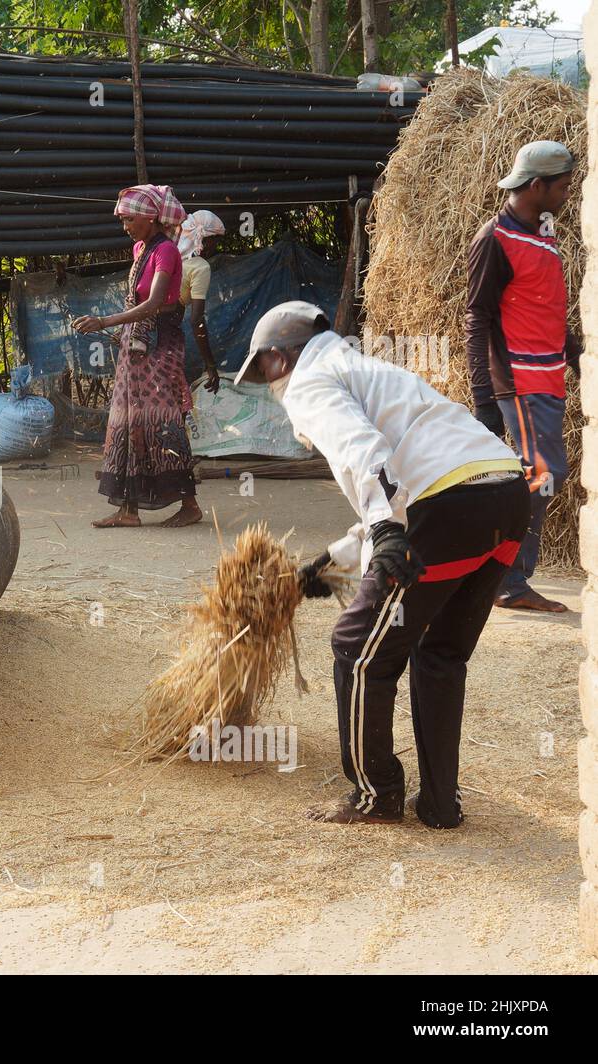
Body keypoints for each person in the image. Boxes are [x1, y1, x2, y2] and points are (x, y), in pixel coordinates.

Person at [235, 301, 528, 829]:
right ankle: (441, 806)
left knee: (356, 648)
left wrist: (389, 533)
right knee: (437, 651)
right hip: (505, 495)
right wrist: (330, 566)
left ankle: (377, 795)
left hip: (451, 505)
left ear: (281, 357)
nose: (270, 384)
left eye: (265, 371)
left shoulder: (309, 381)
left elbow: (361, 449)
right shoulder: (367, 369)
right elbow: (405, 480)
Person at [466, 139, 580, 613]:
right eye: (562, 186)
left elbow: (550, 310)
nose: (567, 194)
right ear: (536, 186)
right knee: (545, 474)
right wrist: (483, 399)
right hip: (521, 380)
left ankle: (493, 569)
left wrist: (580, 361)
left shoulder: (542, 234)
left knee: (529, 475)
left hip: (548, 378)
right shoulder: (494, 240)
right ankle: (510, 582)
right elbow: (477, 318)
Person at [73, 184, 201, 529]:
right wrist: (123, 331)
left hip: (162, 345)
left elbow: (156, 303)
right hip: (139, 345)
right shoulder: (140, 249)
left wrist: (105, 321)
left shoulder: (166, 252)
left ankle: (189, 505)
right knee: (129, 421)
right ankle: (128, 510)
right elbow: (138, 303)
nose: (125, 227)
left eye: (129, 219)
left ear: (149, 218)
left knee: (161, 419)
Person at [177, 209, 225, 395]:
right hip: (166, 334)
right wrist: (210, 365)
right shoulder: (200, 267)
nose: (216, 246)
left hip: (145, 333)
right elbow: (196, 319)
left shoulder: (172, 257)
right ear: (204, 238)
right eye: (215, 240)